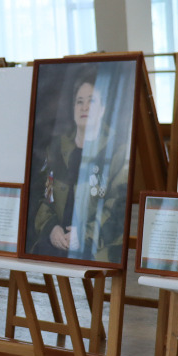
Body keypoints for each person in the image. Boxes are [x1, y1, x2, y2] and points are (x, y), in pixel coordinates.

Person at [28, 68, 129, 262]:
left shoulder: (117, 151)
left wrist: (84, 235)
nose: (84, 108)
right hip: (54, 246)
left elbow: (117, 209)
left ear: (102, 109)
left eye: (91, 101)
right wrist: (51, 228)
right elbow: (41, 195)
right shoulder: (56, 148)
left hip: (95, 251)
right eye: (79, 102)